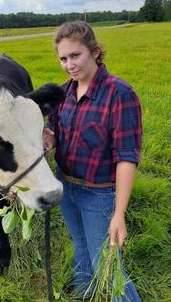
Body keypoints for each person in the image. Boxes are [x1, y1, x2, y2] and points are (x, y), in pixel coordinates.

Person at [43, 21, 142, 301]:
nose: (69, 65)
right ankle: (86, 294)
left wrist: (119, 213)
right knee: (82, 248)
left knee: (107, 267)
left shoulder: (119, 94)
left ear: (95, 51)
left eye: (76, 55)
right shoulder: (64, 92)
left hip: (98, 194)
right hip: (66, 187)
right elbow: (54, 127)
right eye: (63, 58)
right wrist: (49, 136)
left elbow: (126, 158)